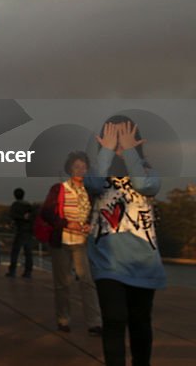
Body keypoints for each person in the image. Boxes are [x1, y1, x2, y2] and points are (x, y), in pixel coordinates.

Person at [86, 118, 165, 366]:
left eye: (125, 137)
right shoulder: (98, 171)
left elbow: (143, 185)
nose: (120, 143)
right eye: (114, 138)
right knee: (114, 319)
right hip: (108, 261)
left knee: (140, 323)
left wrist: (130, 153)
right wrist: (107, 153)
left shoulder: (149, 172)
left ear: (137, 141)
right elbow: (94, 184)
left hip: (143, 261)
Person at [39, 151, 102, 335]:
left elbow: (96, 213)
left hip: (82, 242)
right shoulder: (59, 189)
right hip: (62, 241)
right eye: (77, 167)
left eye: (83, 167)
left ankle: (94, 322)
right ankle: (63, 319)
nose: (80, 170)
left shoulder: (90, 192)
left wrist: (90, 225)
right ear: (69, 169)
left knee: (87, 281)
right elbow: (47, 213)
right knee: (62, 283)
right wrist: (67, 223)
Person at [5, 188, 34, 278]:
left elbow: (12, 216)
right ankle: (28, 272)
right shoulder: (28, 205)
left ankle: (12, 271)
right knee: (28, 252)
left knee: (15, 251)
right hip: (28, 231)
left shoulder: (15, 205)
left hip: (20, 230)